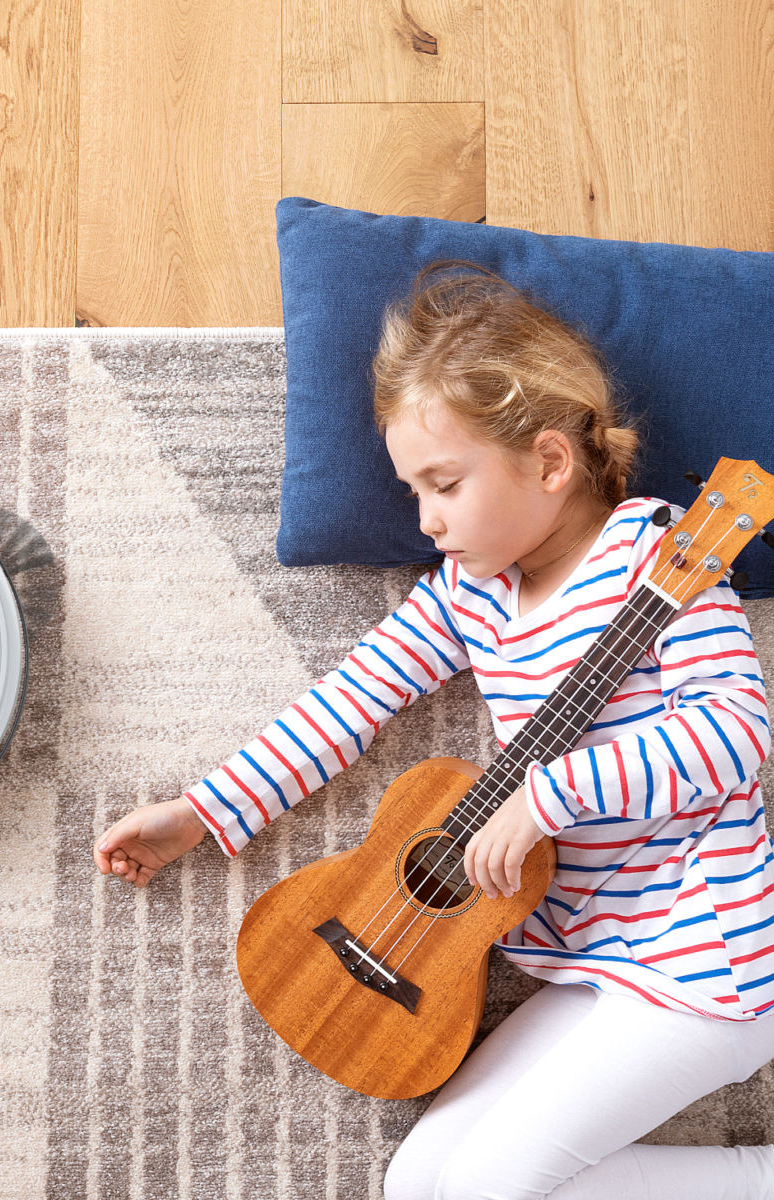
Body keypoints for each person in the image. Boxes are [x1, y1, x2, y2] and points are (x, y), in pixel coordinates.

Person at [91, 261, 774, 1199]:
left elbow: (734, 732)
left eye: (444, 485)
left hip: (706, 960)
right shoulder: (468, 592)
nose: (427, 521)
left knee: (488, 1189)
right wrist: (202, 813)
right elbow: (349, 701)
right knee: (416, 1185)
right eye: (412, 491)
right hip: (579, 959)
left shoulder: (659, 555)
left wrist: (544, 798)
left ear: (549, 462)